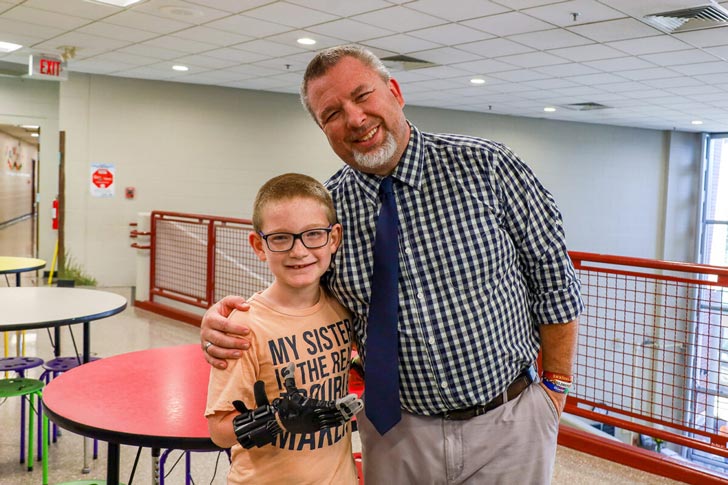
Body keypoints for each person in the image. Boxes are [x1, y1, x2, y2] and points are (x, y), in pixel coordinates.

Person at [202, 45, 583, 484]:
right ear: (323, 128)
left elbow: (553, 280)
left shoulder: (488, 167)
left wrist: (555, 387)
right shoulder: (327, 213)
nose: (355, 118)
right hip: (396, 431)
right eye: (332, 114)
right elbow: (296, 292)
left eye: (363, 96)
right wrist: (221, 321)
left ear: (395, 92)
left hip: (508, 421)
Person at [205, 173, 362, 484]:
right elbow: (219, 432)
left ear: (334, 238)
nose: (299, 251)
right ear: (258, 246)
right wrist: (277, 419)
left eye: (313, 234)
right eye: (280, 238)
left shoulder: (344, 308)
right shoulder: (244, 327)